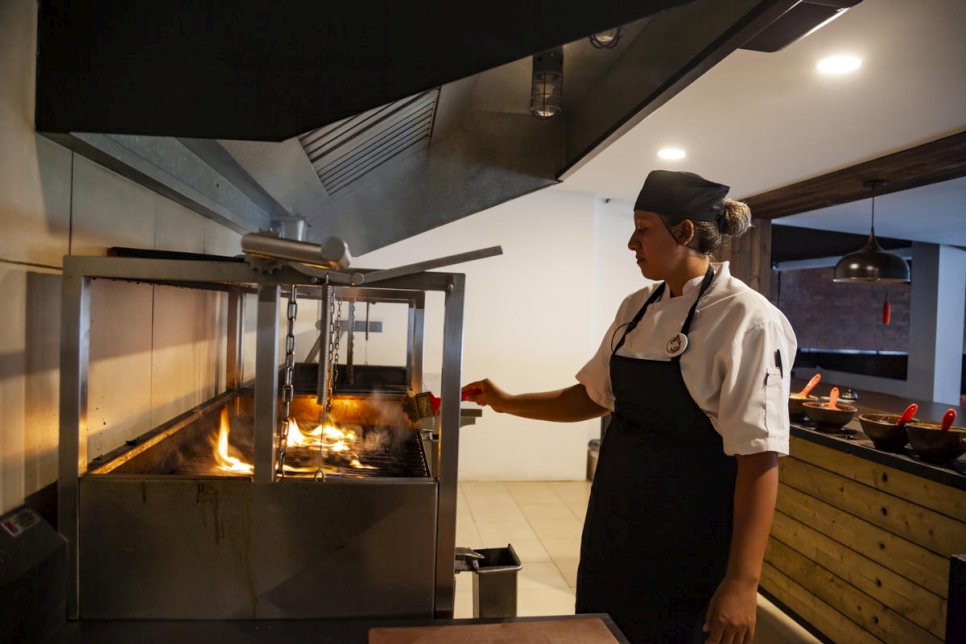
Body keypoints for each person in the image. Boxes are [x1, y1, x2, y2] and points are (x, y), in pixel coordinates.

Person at [462, 170, 797, 644]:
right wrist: (507, 402)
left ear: (683, 233)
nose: (631, 243)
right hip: (615, 523)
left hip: (689, 535)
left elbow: (759, 456)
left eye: (643, 229)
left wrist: (743, 582)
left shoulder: (749, 319)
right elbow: (593, 397)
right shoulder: (636, 307)